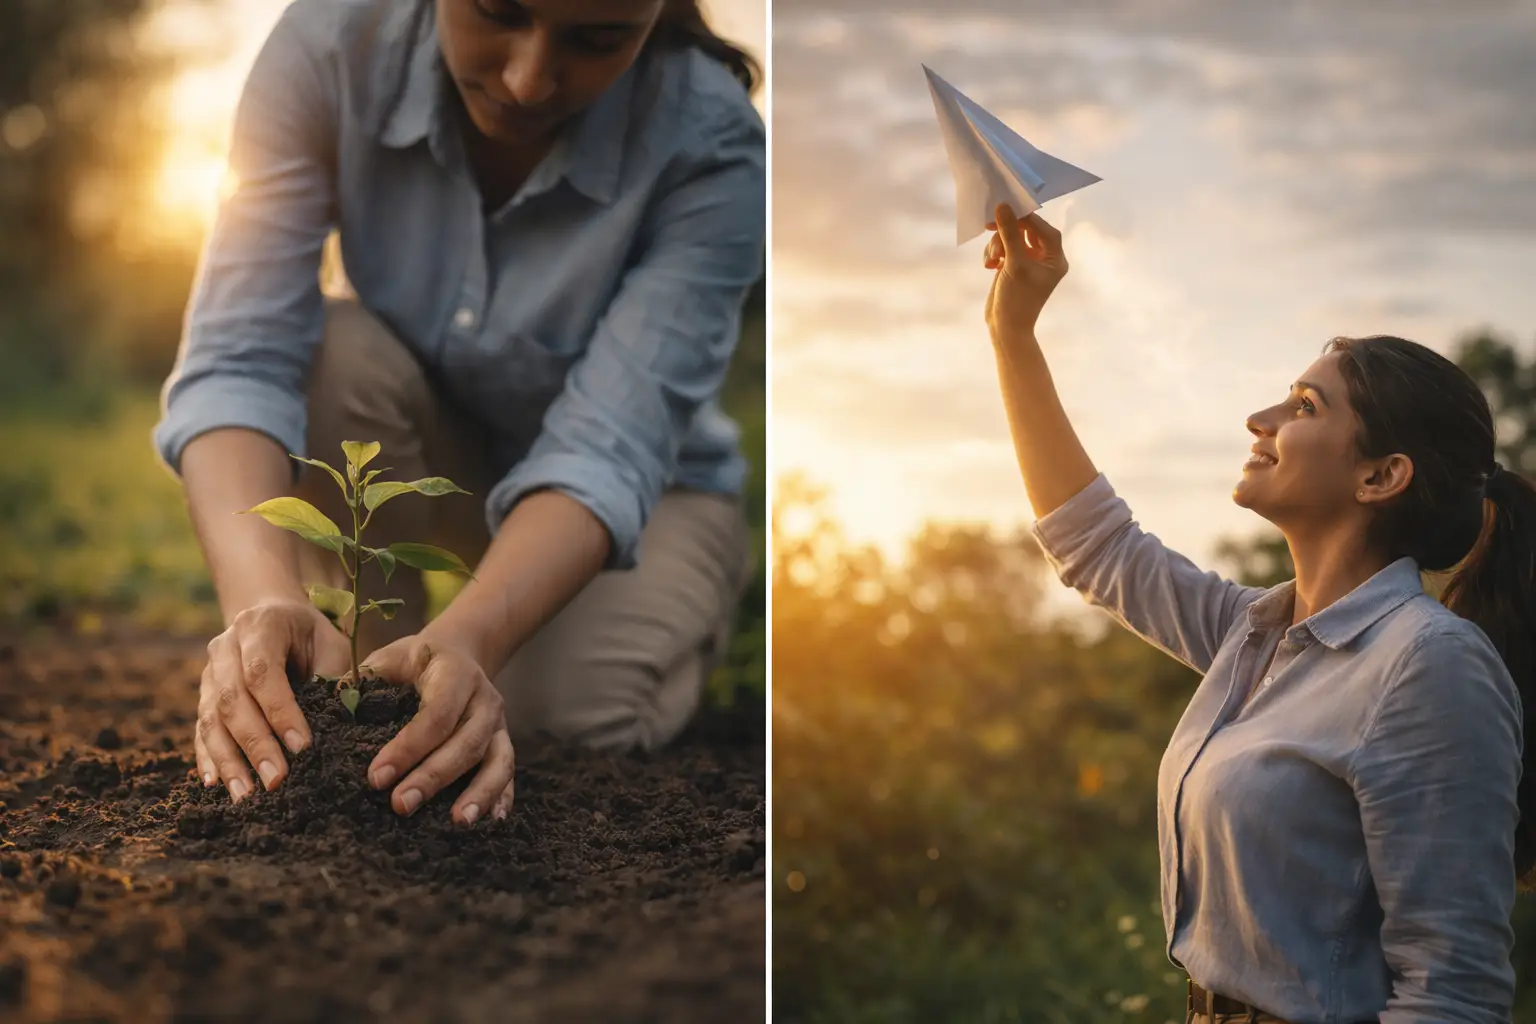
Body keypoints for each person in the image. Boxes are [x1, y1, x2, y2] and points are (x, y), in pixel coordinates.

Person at [152, 0, 764, 828]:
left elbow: (606, 450)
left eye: (596, 38)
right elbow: (241, 358)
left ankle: (695, 606)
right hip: (436, 448)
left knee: (567, 723)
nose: (526, 79)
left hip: (644, 505)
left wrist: (472, 639)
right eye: (497, 11)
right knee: (329, 351)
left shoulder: (713, 143)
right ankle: (375, 672)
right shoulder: (332, 43)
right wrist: (266, 599)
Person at [980, 202, 1535, 1024]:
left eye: (1306, 407)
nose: (1261, 420)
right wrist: (1012, 335)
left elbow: (1453, 993)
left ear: (1382, 476)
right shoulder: (1257, 636)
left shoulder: (1430, 664)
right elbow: (1097, 547)